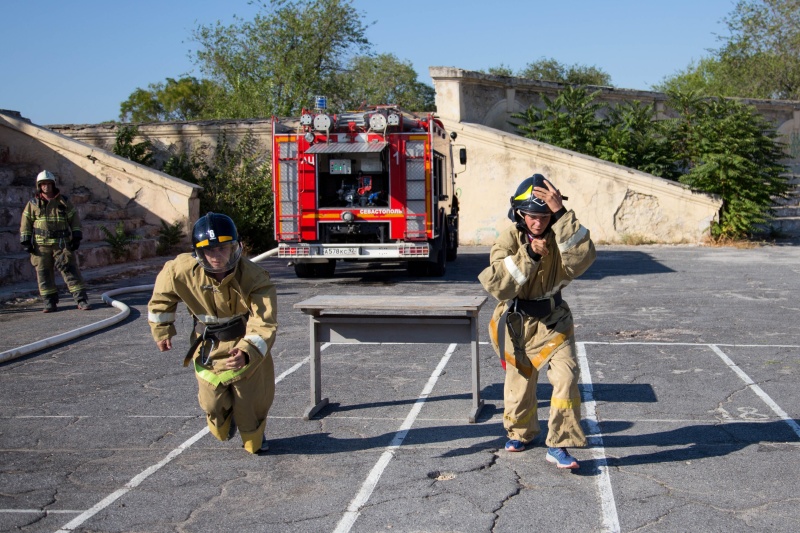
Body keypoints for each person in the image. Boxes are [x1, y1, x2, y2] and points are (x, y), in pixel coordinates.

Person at [478, 174, 596, 469]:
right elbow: (498, 286)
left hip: (554, 322)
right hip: (517, 324)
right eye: (532, 216)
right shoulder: (508, 240)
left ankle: (560, 443)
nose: (538, 222)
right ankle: (522, 432)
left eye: (544, 215)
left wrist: (563, 215)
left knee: (566, 378)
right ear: (520, 213)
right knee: (519, 387)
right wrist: (528, 254)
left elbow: (582, 259)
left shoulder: (562, 234)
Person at [147, 212, 277, 454]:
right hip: (208, 345)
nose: (217, 257)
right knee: (212, 402)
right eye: (210, 251)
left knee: (250, 401)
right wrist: (162, 329)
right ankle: (224, 421)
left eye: (224, 249)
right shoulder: (180, 270)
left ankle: (254, 436)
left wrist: (248, 351)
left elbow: (264, 321)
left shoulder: (254, 276)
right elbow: (161, 298)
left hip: (243, 341)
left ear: (235, 247)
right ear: (199, 252)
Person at [19, 170, 90, 313]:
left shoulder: (64, 202)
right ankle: (49, 302)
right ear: (39, 186)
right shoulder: (33, 204)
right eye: (43, 184)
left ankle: (81, 300)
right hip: (41, 246)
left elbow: (74, 219)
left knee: (70, 271)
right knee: (43, 273)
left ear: (53, 185)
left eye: (48, 184)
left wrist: (76, 236)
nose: (46, 187)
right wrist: (26, 240)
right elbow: (26, 222)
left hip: (61, 244)